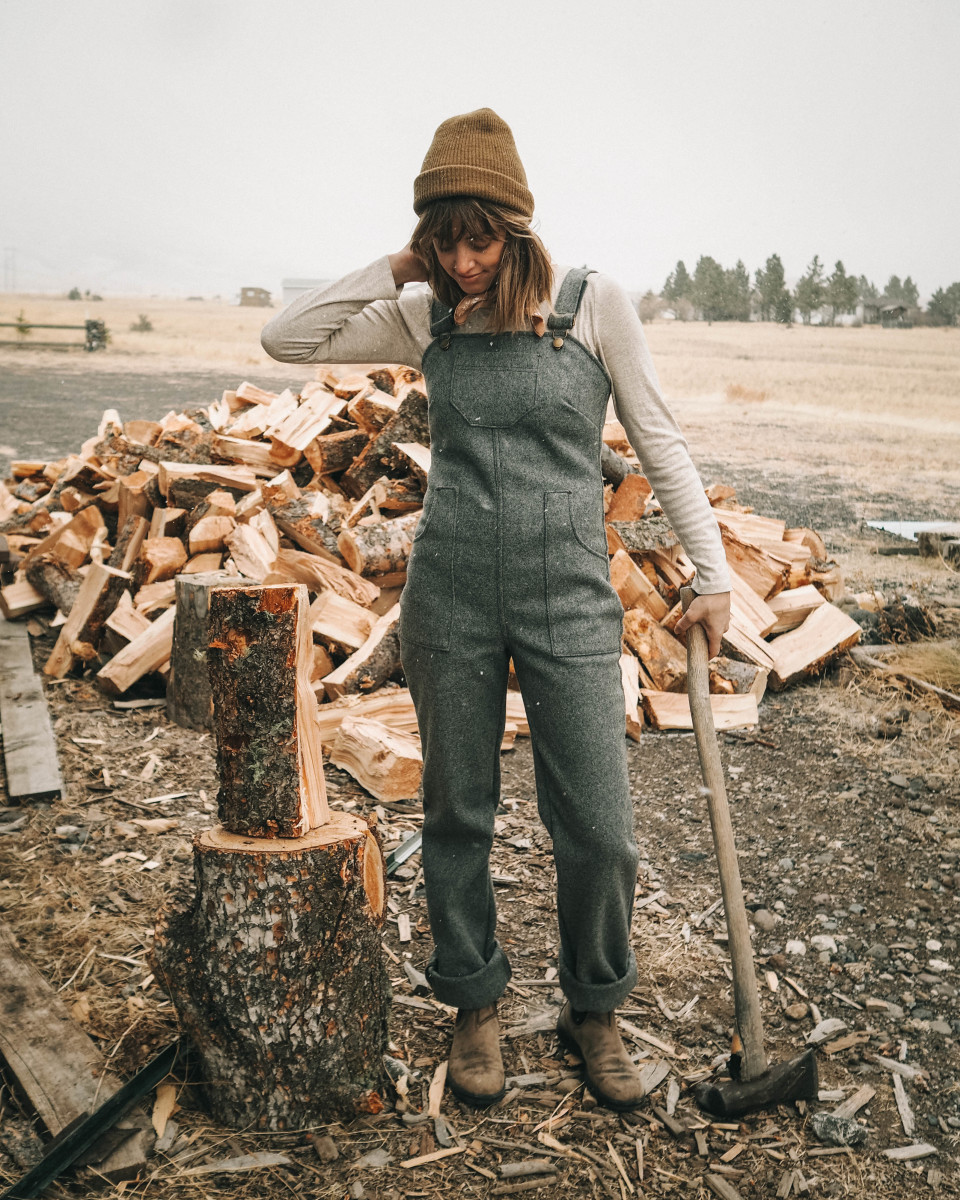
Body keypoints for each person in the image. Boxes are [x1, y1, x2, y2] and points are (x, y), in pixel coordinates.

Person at [261, 108, 731, 1111]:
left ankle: (593, 1011)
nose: (465, 262)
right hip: (453, 599)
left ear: (517, 230)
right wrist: (396, 266)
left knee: (600, 832)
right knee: (457, 815)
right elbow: (284, 335)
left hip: (570, 600)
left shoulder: (592, 304)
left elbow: (659, 439)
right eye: (446, 240)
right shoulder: (426, 312)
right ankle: (474, 1004)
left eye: (481, 239)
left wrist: (716, 573)